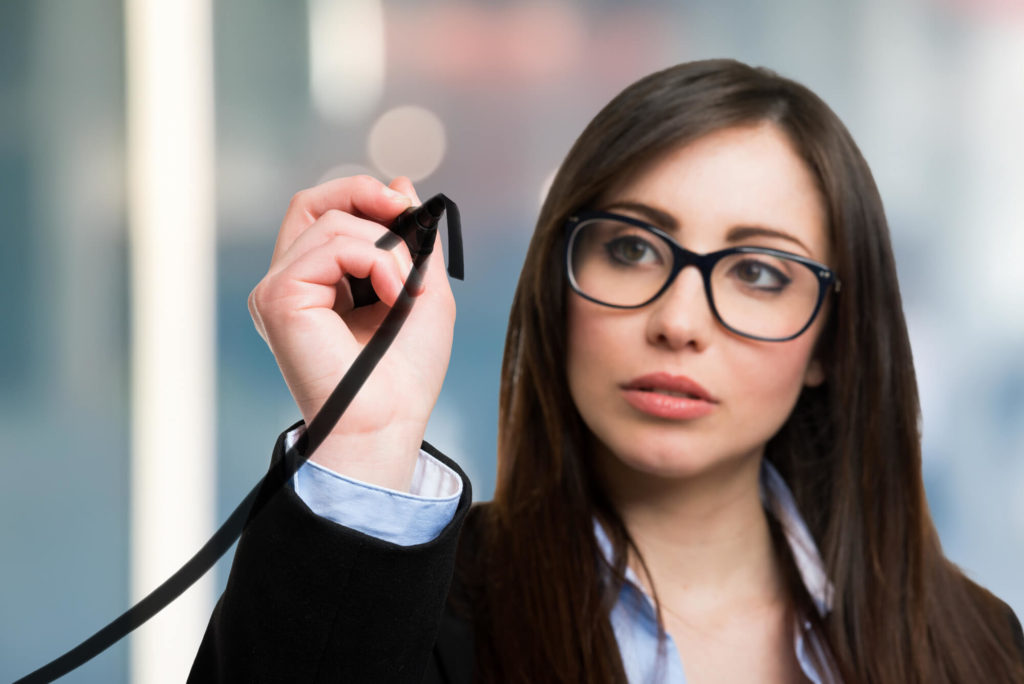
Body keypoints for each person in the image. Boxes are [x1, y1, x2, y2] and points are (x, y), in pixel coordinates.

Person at [190, 59, 1024, 683]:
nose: (678, 323)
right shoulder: (421, 614)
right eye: (630, 249)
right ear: (558, 284)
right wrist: (364, 439)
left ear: (832, 344)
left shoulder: (976, 646)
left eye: (761, 272)